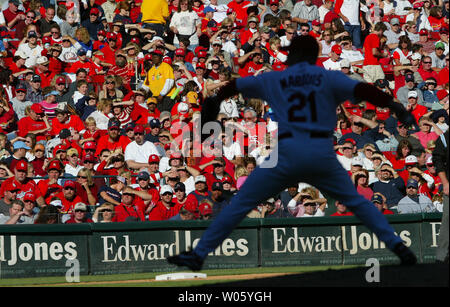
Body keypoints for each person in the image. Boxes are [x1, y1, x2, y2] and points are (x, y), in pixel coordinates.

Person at [168, 35, 418, 271]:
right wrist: (396, 106)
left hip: (287, 152)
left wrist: (213, 102)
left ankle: (199, 254)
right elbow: (366, 91)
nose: (286, 57)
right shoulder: (328, 77)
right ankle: (398, 247)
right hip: (321, 151)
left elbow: (230, 86)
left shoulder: (276, 78)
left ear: (297, 55)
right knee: (356, 202)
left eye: (290, 53)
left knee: (242, 202)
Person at [433, 130, 449, 263]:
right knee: (448, 221)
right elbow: (437, 161)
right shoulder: (444, 138)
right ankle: (441, 257)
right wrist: (445, 183)